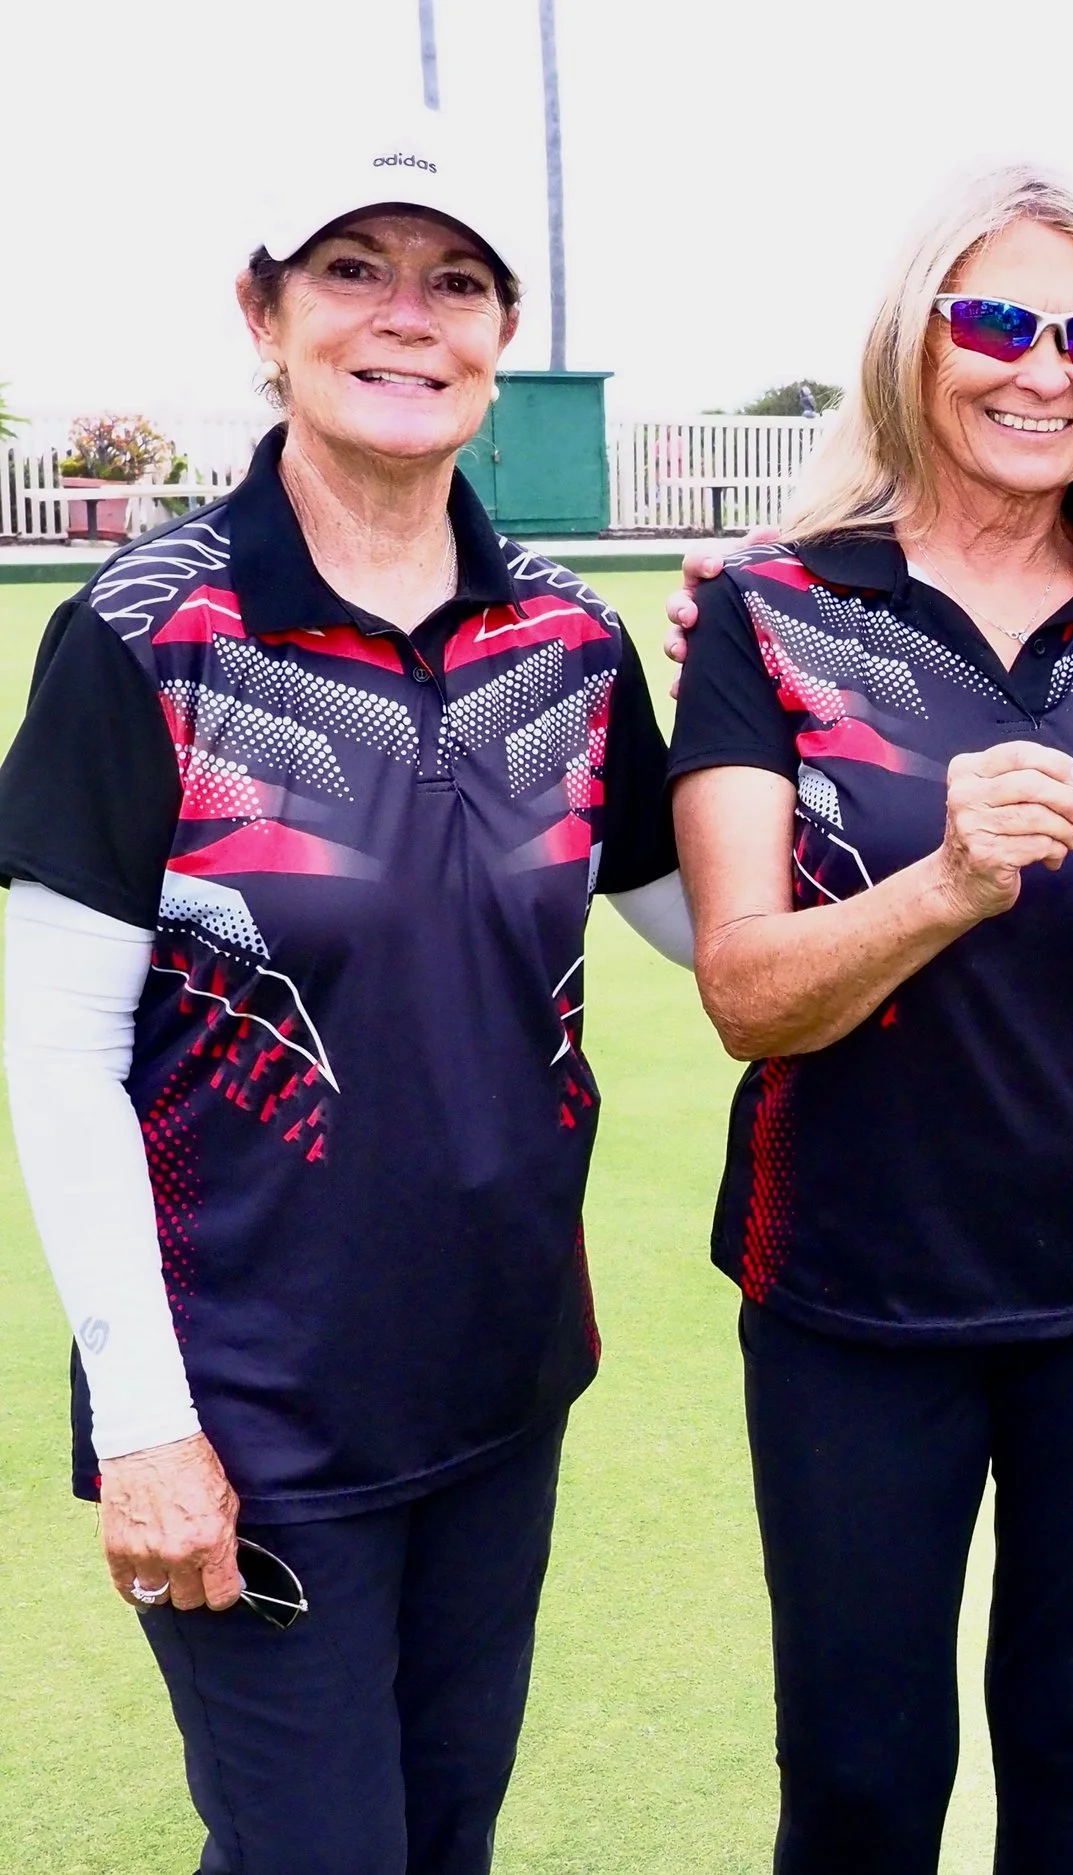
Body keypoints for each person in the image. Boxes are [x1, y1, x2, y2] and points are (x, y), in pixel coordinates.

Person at [0, 123, 690, 1874]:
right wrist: (147, 1421)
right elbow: (63, 1055)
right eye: (354, 272)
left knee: (440, 1839)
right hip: (249, 1408)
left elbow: (710, 928)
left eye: (454, 281)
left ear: (501, 331)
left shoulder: (568, 642)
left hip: (499, 1378)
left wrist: (809, 715)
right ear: (266, 314)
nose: (408, 318)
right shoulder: (147, 636)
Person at [666, 169, 1073, 1875]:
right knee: (863, 1775)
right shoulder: (774, 608)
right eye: (999, 323)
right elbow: (746, 989)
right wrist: (944, 885)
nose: (1047, 368)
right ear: (918, 344)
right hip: (855, 1298)